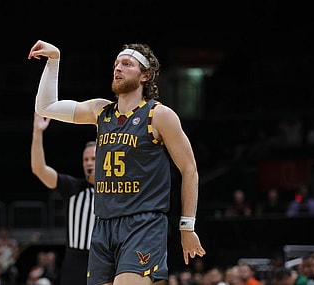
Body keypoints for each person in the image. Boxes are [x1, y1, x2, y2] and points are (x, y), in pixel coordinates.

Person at [28, 40, 206, 285]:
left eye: (126, 64)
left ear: (146, 75)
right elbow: (46, 107)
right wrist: (54, 60)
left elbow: (190, 169)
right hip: (103, 226)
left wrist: (187, 226)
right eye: (116, 64)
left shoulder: (159, 115)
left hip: (142, 224)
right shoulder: (101, 111)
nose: (117, 68)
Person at [31, 111, 96, 285]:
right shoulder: (72, 186)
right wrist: (37, 133)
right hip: (74, 260)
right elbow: (40, 169)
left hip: (103, 260)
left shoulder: (114, 191)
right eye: (86, 159)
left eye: (94, 159)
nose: (89, 163)